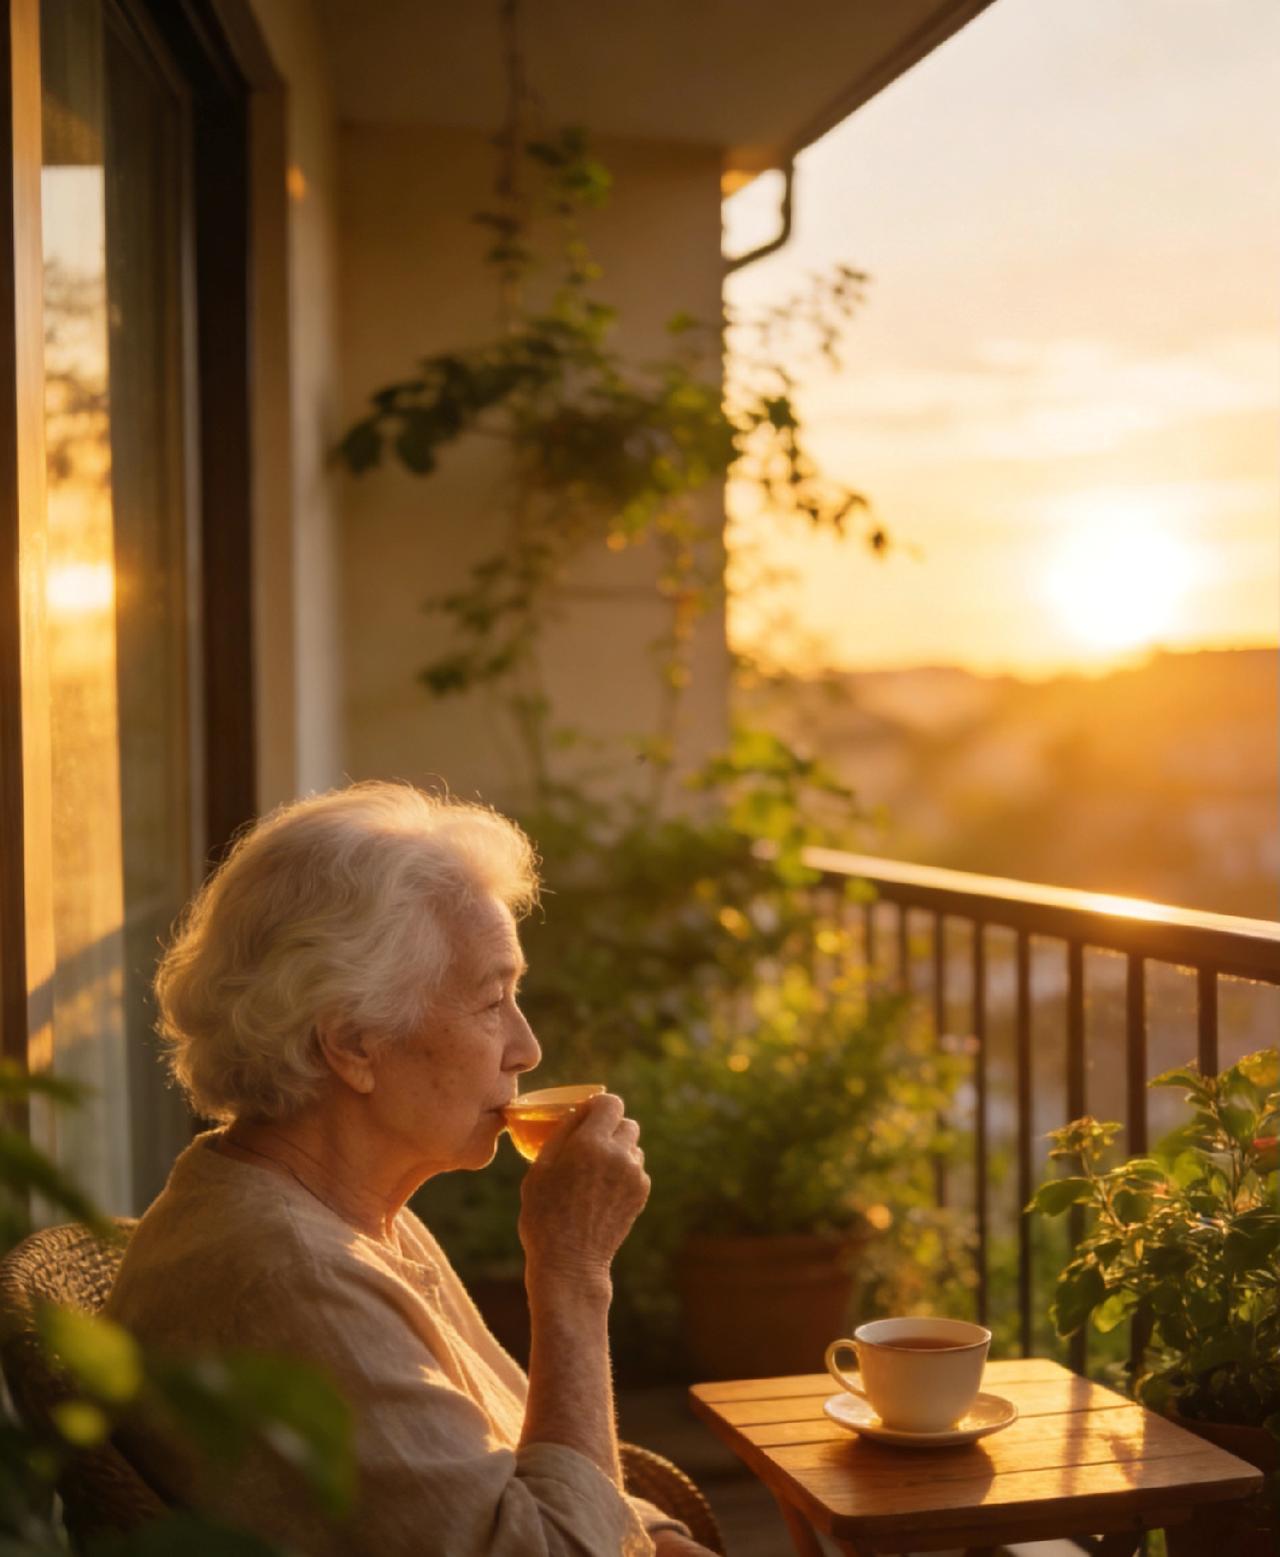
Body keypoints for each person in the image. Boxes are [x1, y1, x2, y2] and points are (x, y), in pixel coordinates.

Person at [107, 782, 715, 1556]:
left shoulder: (350, 1213)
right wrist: (572, 1276)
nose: (525, 1048)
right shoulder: (297, 1275)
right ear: (354, 1042)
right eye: (492, 1000)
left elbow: (530, 1467)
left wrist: (660, 1537)